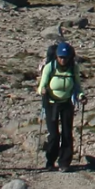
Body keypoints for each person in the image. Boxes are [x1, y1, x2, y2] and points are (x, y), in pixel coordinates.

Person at [36, 41, 83, 171]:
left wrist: (81, 96)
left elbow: (77, 86)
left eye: (65, 57)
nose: (63, 60)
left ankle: (64, 162)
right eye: (61, 57)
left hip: (67, 103)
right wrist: (43, 90)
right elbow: (40, 87)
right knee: (54, 135)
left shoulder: (73, 68)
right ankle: (50, 161)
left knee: (67, 133)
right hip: (51, 104)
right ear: (56, 56)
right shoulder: (49, 67)